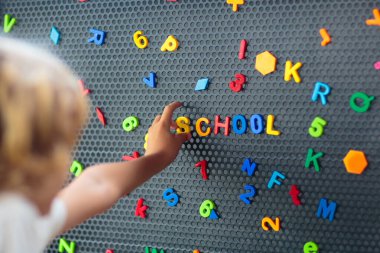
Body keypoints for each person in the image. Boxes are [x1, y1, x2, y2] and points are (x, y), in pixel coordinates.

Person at [0, 37, 191, 252]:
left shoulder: (17, 217)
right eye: (64, 148)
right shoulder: (10, 228)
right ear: (32, 167)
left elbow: (98, 184)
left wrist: (158, 157)